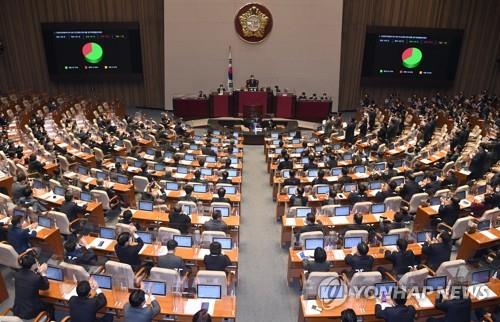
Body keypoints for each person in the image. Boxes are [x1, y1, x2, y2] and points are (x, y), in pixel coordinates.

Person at [13, 254, 52, 320]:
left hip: (17, 309)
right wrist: (43, 274)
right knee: (50, 306)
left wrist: (37, 272)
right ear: (33, 265)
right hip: (30, 311)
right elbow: (46, 287)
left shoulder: (17, 274)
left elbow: (29, 280)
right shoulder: (35, 278)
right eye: (36, 262)